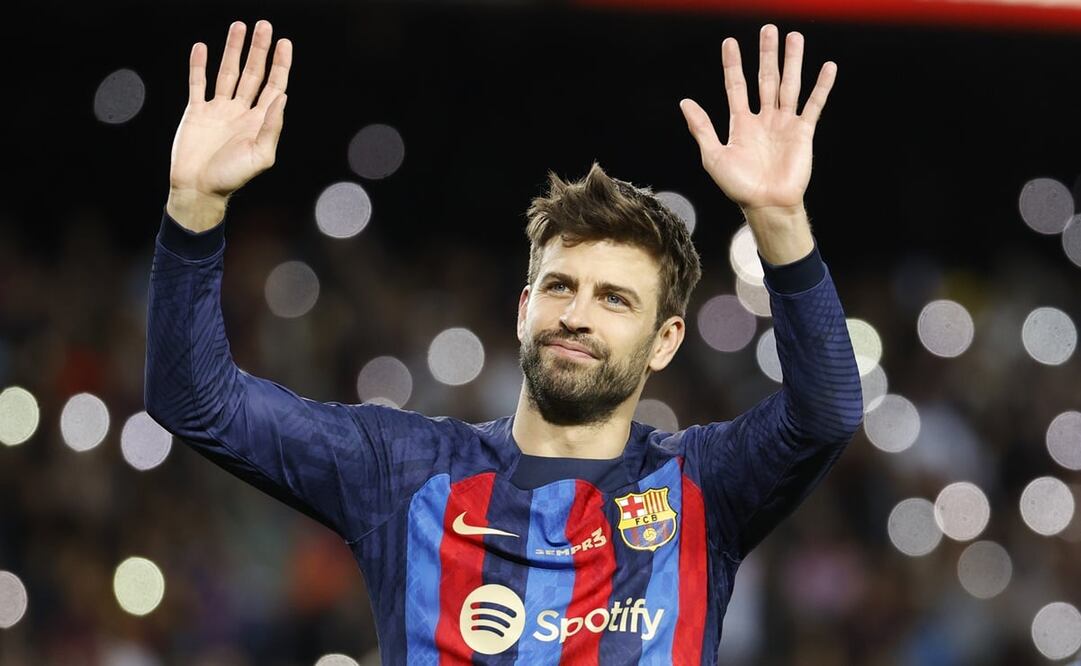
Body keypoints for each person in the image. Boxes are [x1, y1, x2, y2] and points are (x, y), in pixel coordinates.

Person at [144, 18, 863, 664]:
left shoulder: (702, 488)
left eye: (614, 299)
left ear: (664, 341)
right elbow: (196, 401)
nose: (576, 314)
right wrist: (194, 205)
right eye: (560, 286)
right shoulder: (403, 472)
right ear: (523, 310)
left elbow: (826, 413)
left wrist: (779, 221)